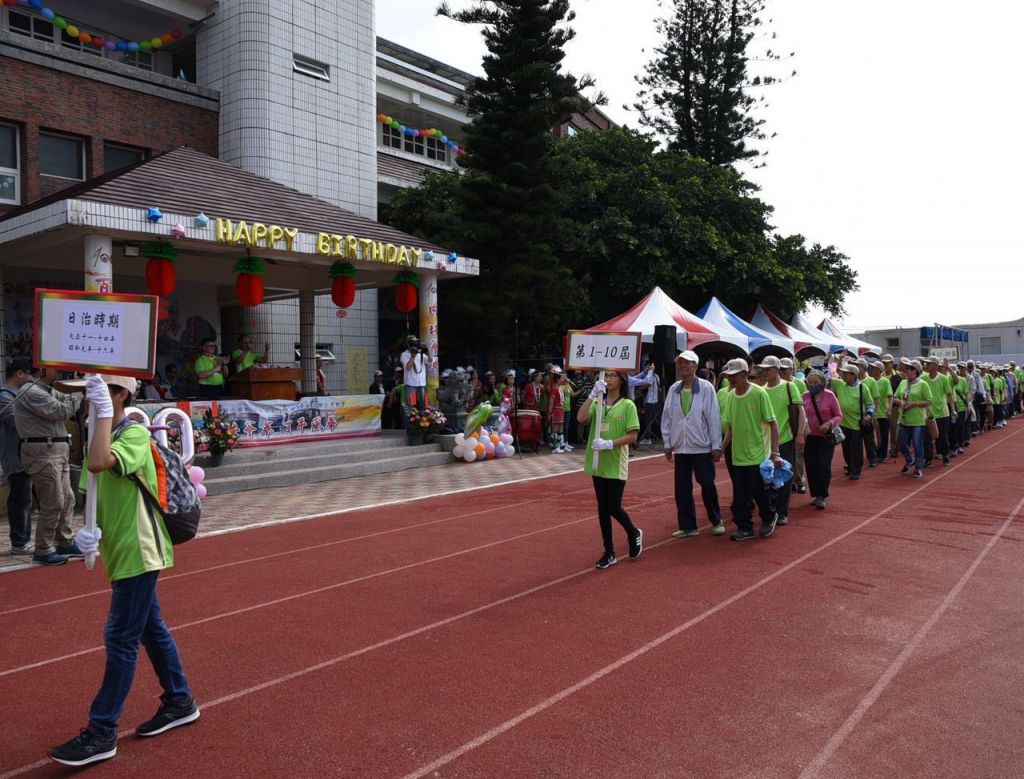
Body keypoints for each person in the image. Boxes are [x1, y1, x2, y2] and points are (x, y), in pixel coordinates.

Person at [49, 374, 198, 767]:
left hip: (140, 549)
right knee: (150, 628)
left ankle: (101, 731)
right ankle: (180, 700)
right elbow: (92, 491)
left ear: (118, 394)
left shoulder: (131, 435)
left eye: (93, 393)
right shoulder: (103, 433)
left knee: (120, 637)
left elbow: (99, 461)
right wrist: (88, 533)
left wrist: (103, 412)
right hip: (120, 551)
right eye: (85, 395)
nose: (85, 401)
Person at [13, 366, 82, 566]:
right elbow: (62, 411)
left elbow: (64, 404)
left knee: (67, 499)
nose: (60, 371)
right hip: (42, 452)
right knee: (53, 502)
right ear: (41, 370)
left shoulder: (50, 390)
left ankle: (65, 541)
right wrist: (78, 392)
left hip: (57, 451)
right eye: (55, 367)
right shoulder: (31, 391)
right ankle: (43, 548)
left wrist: (73, 390)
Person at [577, 372, 643, 569]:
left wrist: (609, 444)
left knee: (613, 506)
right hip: (598, 463)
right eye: (608, 375)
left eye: (613, 375)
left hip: (615, 462)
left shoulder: (627, 405)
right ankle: (609, 551)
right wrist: (591, 395)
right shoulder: (598, 402)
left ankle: (633, 532)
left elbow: (633, 436)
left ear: (621, 380)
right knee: (602, 509)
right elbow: (581, 418)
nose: (608, 379)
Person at [661, 350, 725, 537]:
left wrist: (716, 445)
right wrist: (667, 443)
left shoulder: (706, 388)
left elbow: (713, 417)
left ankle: (716, 519)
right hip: (681, 446)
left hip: (702, 446)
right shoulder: (674, 389)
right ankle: (688, 525)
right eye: (680, 363)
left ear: (695, 366)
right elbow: (667, 417)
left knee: (706, 483)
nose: (683, 366)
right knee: (682, 488)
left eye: (687, 363)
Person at [720, 358, 782, 541]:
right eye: (728, 375)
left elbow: (773, 423)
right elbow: (730, 427)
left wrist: (775, 451)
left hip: (758, 454)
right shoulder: (730, 396)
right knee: (740, 494)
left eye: (734, 375)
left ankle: (769, 517)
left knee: (759, 490)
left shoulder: (759, 393)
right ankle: (745, 527)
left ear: (745, 374)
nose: (730, 379)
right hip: (738, 454)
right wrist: (722, 448)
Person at [759, 356, 801, 526]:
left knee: (783, 478)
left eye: (768, 369)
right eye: (764, 369)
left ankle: (781, 511)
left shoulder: (790, 387)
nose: (765, 372)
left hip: (785, 439)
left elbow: (800, 410)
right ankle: (771, 509)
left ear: (776, 369)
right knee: (766, 478)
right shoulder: (761, 390)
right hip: (764, 443)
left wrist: (800, 435)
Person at [0, 358, 37, 555]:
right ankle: (19, 542)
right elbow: (18, 422)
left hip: (24, 455)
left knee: (25, 499)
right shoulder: (5, 397)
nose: (31, 379)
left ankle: (23, 540)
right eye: (28, 374)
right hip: (14, 457)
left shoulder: (16, 396)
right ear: (19, 374)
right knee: (19, 500)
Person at [801, 370, 843, 510]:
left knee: (823, 465)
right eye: (810, 383)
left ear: (822, 383)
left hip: (825, 437)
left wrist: (829, 423)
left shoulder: (830, 395)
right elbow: (802, 415)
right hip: (810, 437)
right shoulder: (805, 396)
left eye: (816, 383)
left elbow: (838, 415)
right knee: (811, 466)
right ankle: (816, 493)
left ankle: (822, 495)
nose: (812, 385)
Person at [831, 362, 873, 480]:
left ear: (854, 375)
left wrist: (868, 416)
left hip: (857, 424)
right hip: (843, 424)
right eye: (843, 373)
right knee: (846, 448)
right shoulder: (839, 384)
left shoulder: (862, 387)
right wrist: (834, 360)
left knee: (856, 448)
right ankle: (850, 466)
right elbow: (831, 373)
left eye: (846, 374)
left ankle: (855, 470)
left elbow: (870, 404)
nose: (843, 375)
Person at [895, 360, 932, 478]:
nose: (906, 371)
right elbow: (895, 398)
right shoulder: (902, 383)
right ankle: (910, 460)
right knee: (901, 443)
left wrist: (914, 404)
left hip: (918, 420)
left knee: (917, 444)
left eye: (909, 369)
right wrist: (901, 402)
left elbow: (929, 401)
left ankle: (918, 467)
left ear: (915, 371)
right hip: (904, 418)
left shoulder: (923, 384)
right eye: (906, 369)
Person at [780, 357, 808, 494]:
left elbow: (803, 406)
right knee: (785, 456)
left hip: (796, 423)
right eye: (780, 369)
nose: (781, 372)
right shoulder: (776, 384)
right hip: (783, 425)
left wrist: (802, 429)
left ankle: (800, 479)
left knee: (798, 454)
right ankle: (789, 481)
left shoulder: (799, 383)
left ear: (791, 369)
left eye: (784, 369)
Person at [921, 357, 955, 466]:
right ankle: (928, 459)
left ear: (935, 366)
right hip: (928, 413)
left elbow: (949, 395)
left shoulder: (943, 378)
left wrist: (953, 410)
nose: (926, 366)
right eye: (926, 364)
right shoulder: (923, 378)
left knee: (942, 436)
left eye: (929, 364)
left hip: (942, 412)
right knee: (927, 437)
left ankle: (945, 455)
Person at [637, 363, 661, 446]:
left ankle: (648, 438)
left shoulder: (651, 376)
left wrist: (639, 389)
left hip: (650, 401)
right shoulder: (657, 376)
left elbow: (647, 384)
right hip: (655, 401)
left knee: (648, 420)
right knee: (652, 420)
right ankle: (652, 436)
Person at [400, 336, 427, 411]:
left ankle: (422, 422)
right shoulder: (404, 354)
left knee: (422, 405)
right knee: (411, 406)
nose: (415, 345)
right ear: (408, 344)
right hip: (411, 384)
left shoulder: (420, 353)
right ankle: (410, 422)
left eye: (416, 342)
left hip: (421, 384)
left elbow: (430, 361)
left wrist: (427, 350)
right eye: (413, 343)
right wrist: (412, 357)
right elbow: (408, 367)